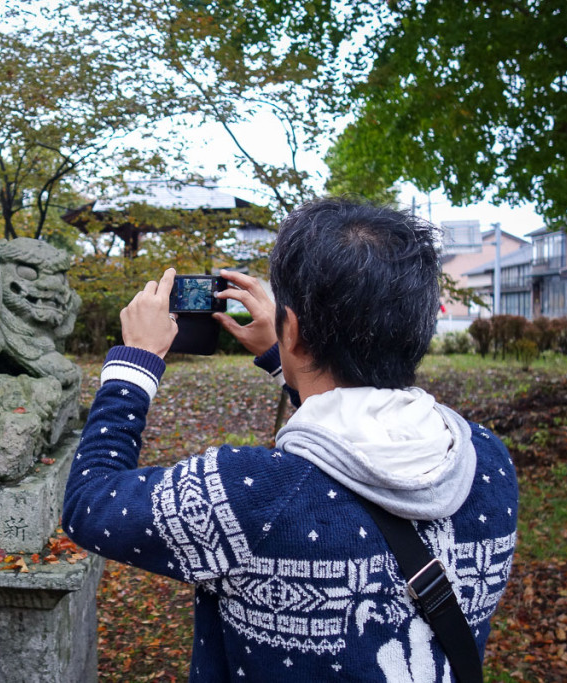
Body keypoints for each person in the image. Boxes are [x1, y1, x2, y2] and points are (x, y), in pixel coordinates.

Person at [61, 197, 518, 681]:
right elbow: (352, 447)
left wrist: (134, 364)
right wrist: (289, 359)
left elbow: (92, 504)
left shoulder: (249, 495)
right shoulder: (487, 461)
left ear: (292, 328)